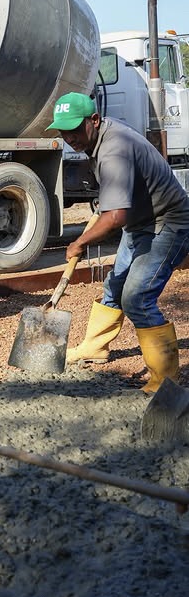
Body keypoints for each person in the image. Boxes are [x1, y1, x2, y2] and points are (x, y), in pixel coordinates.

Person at [48, 91, 189, 393]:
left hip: (167, 222)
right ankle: (95, 347)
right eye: (63, 131)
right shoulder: (100, 138)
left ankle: (166, 381)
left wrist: (80, 242)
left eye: (74, 129)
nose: (69, 138)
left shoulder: (114, 149)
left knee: (137, 297)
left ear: (94, 120)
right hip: (140, 221)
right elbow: (116, 200)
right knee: (114, 286)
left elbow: (115, 217)